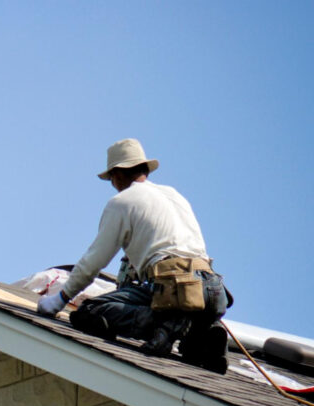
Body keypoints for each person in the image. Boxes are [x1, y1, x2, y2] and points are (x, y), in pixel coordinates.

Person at [36, 138, 230, 373]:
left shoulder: (123, 202)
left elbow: (94, 261)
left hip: (172, 288)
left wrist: (60, 300)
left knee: (89, 312)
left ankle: (162, 324)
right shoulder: (174, 195)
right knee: (191, 350)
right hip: (210, 290)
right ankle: (203, 333)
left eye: (111, 180)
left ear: (117, 175)